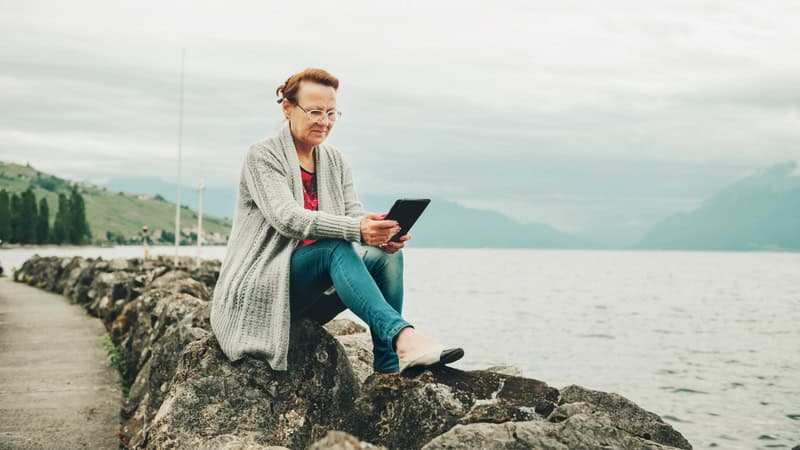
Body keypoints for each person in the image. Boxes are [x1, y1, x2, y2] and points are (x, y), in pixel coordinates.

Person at [210, 68, 463, 374]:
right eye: (315, 111)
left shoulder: (335, 160)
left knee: (386, 257)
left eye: (331, 113)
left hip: (313, 293)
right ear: (287, 108)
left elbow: (352, 214)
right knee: (335, 247)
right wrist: (356, 229)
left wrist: (379, 232)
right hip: (263, 290)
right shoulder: (262, 156)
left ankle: (390, 364)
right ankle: (403, 336)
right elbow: (287, 218)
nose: (324, 121)